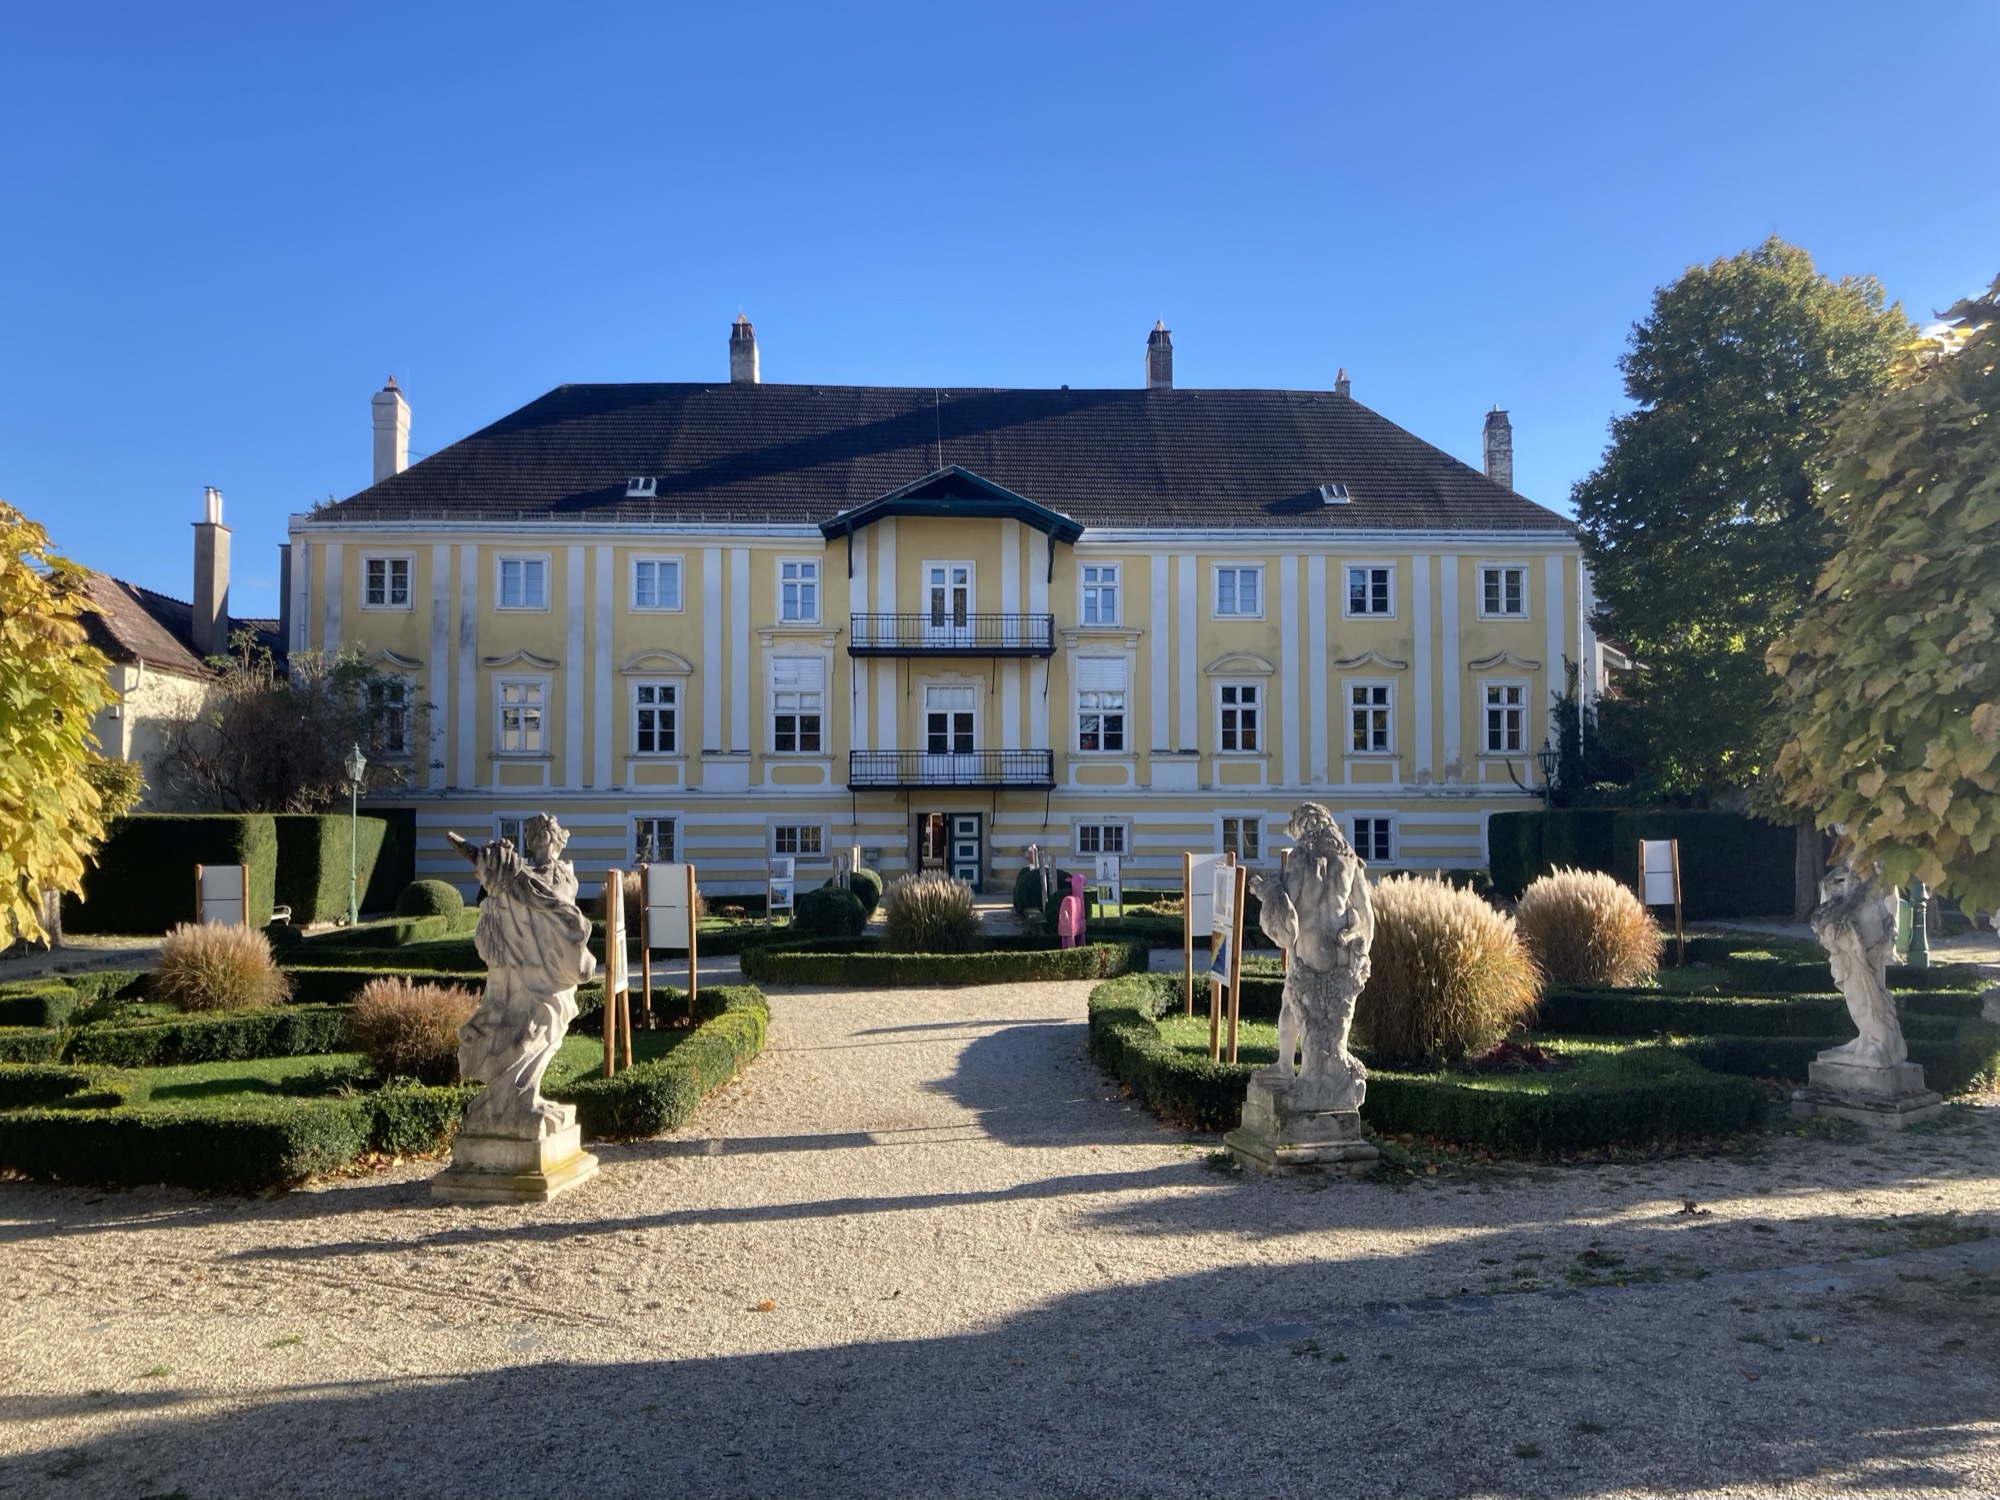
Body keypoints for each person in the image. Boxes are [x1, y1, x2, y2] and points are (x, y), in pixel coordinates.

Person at [450, 814, 596, 1137]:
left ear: (557, 840)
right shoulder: (518, 878)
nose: (541, 840)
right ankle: (510, 1103)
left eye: (546, 834)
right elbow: (513, 898)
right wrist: (500, 872)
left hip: (553, 970)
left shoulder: (563, 876)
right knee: (526, 1031)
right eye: (535, 834)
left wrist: (509, 872)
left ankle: (520, 1098)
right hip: (523, 967)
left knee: (548, 1027)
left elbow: (549, 900)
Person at [1247, 803, 1373, 1098]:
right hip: (1344, 953)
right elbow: (1367, 914)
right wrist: (1363, 953)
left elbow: (1286, 907)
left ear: (1304, 827)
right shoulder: (1350, 859)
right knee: (1337, 1018)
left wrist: (1266, 890)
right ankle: (1334, 1076)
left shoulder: (1300, 859)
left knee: (1291, 1006)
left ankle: (1286, 1066)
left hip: (1309, 949)